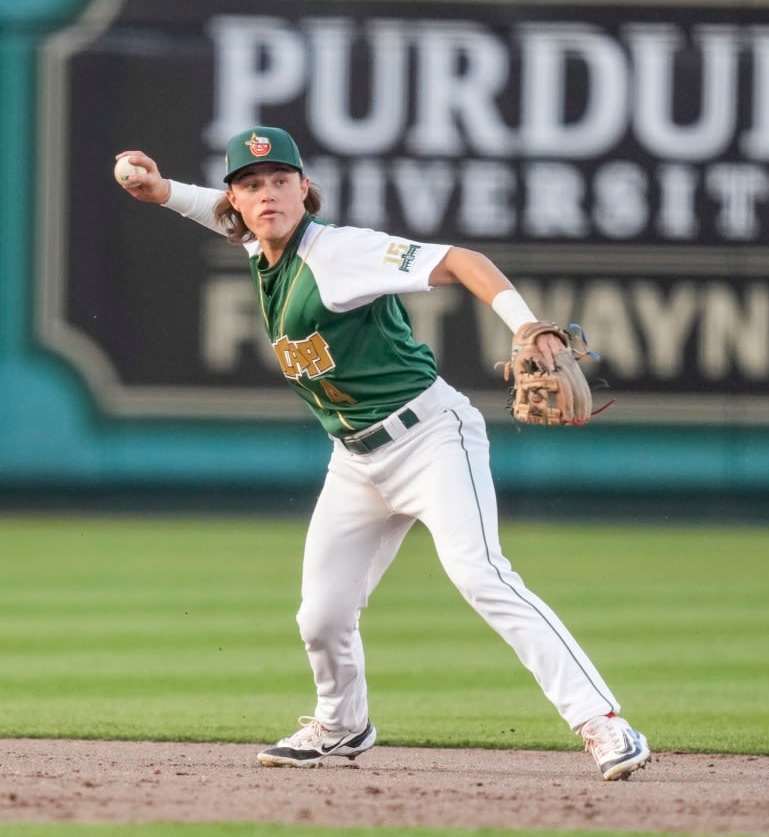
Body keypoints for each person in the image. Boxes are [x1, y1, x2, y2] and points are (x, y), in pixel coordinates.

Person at [114, 126, 650, 781]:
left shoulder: (338, 252)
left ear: (304, 188)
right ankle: (342, 725)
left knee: (481, 573)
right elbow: (222, 217)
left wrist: (524, 323)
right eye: (251, 186)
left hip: (430, 438)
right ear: (238, 200)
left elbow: (459, 260)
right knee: (322, 615)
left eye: (280, 181)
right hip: (357, 461)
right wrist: (163, 190)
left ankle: (605, 724)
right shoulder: (260, 245)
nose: (267, 195)